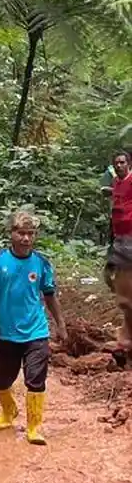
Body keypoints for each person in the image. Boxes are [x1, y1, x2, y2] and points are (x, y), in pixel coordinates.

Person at [0, 211, 67, 446]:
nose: (26, 239)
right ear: (12, 234)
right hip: (5, 331)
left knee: (36, 379)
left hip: (36, 331)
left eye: (30, 234)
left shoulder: (41, 263)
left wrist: (60, 324)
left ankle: (34, 427)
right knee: (1, 379)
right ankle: (8, 411)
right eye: (21, 233)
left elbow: (49, 295)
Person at [101, 151, 132, 364]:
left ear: (129, 164)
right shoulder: (116, 182)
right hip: (119, 237)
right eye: (117, 163)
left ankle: (126, 340)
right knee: (114, 281)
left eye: (122, 162)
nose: (119, 165)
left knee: (126, 295)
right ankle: (126, 338)